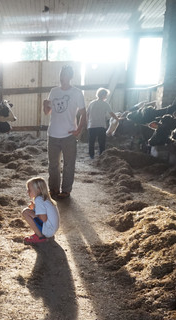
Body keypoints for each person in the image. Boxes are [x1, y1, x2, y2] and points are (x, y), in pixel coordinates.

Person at [43, 64, 87, 199]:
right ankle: (54, 189)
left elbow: (84, 114)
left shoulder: (77, 93)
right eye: (61, 74)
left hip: (69, 135)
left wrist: (78, 129)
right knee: (53, 165)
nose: (63, 77)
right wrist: (45, 105)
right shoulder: (54, 91)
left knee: (68, 164)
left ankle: (66, 190)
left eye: (66, 74)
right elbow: (47, 112)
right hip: (53, 134)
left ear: (71, 77)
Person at [21, 177, 60, 245]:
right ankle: (42, 234)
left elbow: (43, 219)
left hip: (48, 230)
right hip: (52, 229)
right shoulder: (45, 198)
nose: (27, 191)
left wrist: (33, 212)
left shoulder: (38, 199)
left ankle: (40, 237)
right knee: (30, 212)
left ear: (38, 190)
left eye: (29, 189)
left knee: (26, 212)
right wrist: (34, 208)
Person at [87, 87, 118, 159]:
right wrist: (117, 118)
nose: (106, 96)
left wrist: (87, 123)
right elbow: (111, 113)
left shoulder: (92, 103)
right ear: (103, 95)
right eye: (106, 95)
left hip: (92, 125)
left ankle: (91, 156)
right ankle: (101, 156)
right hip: (101, 126)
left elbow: (87, 114)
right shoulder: (105, 104)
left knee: (91, 142)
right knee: (102, 142)